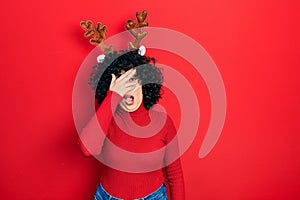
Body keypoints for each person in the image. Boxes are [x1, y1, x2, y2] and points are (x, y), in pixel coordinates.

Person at [78, 50, 185, 200]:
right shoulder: (106, 120)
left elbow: (175, 175)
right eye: (122, 83)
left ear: (144, 83)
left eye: (132, 80)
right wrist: (113, 95)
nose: (127, 89)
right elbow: (87, 149)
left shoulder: (163, 122)